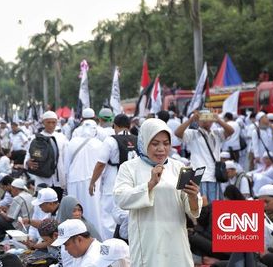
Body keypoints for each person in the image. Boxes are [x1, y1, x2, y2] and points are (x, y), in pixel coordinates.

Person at [114, 118, 201, 266]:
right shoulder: (129, 168)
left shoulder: (178, 167)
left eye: (166, 143)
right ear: (144, 141)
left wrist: (193, 195)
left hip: (176, 240)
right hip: (148, 241)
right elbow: (121, 198)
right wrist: (150, 184)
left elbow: (192, 210)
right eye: (155, 143)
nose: (161, 149)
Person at [88, 114, 136, 240]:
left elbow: (100, 164)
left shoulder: (111, 140)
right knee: (128, 215)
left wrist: (93, 182)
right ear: (129, 125)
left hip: (113, 182)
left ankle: (110, 246)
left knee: (108, 218)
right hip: (132, 182)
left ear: (115, 125)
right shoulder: (138, 139)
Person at [175, 110, 234, 202]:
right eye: (203, 118)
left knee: (214, 206)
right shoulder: (193, 133)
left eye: (208, 118)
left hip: (214, 176)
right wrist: (191, 120)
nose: (206, 120)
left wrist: (218, 120)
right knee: (201, 205)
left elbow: (231, 131)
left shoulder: (217, 133)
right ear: (198, 120)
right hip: (200, 176)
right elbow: (177, 133)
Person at [64, 115, 103, 235]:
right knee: (94, 212)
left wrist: (66, 181)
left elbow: (66, 165)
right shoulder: (99, 143)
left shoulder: (72, 142)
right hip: (93, 183)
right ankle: (95, 236)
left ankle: (75, 235)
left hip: (74, 181)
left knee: (74, 212)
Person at [24, 111, 68, 201]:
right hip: (42, 179)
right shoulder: (35, 138)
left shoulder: (62, 138)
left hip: (59, 179)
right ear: (43, 122)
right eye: (48, 122)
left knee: (57, 205)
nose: (51, 125)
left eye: (53, 122)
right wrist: (28, 163)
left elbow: (67, 159)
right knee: (42, 205)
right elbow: (28, 155)